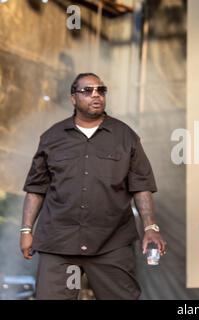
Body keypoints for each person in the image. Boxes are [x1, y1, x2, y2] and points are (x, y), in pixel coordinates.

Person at [19, 73, 167, 300]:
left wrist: (151, 228)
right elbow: (36, 189)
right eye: (87, 91)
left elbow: (141, 186)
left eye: (101, 90)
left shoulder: (124, 136)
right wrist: (26, 230)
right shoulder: (52, 137)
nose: (96, 95)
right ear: (73, 98)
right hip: (60, 245)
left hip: (111, 244)